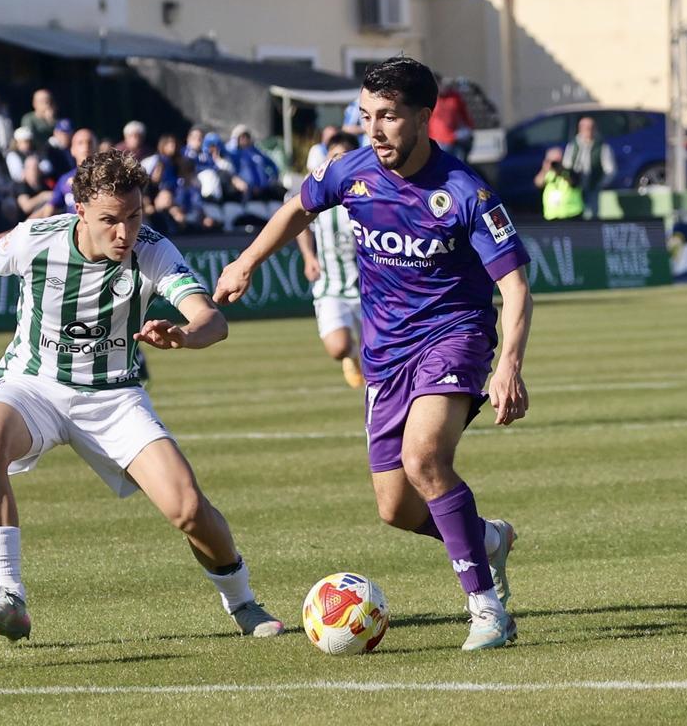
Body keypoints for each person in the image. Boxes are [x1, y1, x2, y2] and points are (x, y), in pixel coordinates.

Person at [0, 149, 284, 643]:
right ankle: (10, 598)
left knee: (187, 509)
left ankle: (242, 602)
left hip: (113, 397)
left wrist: (187, 334)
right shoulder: (36, 240)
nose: (124, 233)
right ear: (79, 209)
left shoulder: (152, 249)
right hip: (34, 385)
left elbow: (211, 318)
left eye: (133, 216)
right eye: (110, 220)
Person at [215, 56, 532, 651]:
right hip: (385, 353)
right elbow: (296, 208)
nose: (375, 129)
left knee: (425, 458)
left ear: (422, 116)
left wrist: (509, 364)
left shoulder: (466, 192)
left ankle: (487, 610)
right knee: (395, 508)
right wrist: (245, 262)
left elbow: (514, 288)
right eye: (366, 117)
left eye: (388, 117)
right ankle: (487, 539)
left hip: (454, 336)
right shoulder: (350, 171)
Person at [294, 131, 364, 388]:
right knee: (338, 347)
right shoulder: (318, 191)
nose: (338, 161)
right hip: (331, 286)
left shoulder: (371, 191)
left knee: (380, 360)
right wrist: (308, 256)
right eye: (333, 156)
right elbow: (298, 221)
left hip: (371, 290)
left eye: (343, 156)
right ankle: (351, 355)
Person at [563, 117, 615, 218]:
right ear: (580, 129)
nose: (588, 130)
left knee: (592, 214)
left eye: (590, 127)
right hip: (575, 187)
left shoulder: (602, 147)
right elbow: (566, 165)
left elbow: (610, 170)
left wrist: (601, 183)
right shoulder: (573, 146)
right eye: (585, 127)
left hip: (593, 186)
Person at [429, 79, 474, 161]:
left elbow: (465, 115)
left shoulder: (455, 97)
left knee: (458, 164)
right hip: (439, 141)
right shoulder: (431, 100)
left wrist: (469, 128)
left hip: (454, 139)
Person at [535, 147, 584, 221]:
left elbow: (573, 182)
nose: (554, 164)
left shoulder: (569, 171)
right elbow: (538, 183)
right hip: (552, 217)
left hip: (571, 216)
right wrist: (545, 169)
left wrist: (561, 169)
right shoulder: (548, 173)